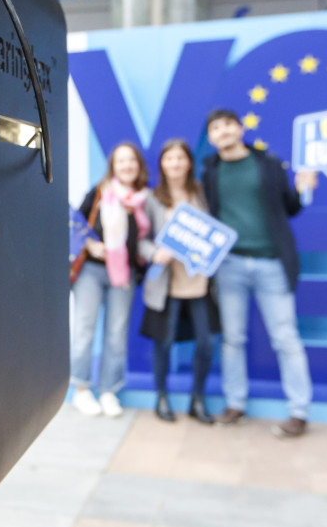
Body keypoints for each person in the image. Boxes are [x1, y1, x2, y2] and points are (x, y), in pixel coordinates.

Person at [201, 109, 318, 438]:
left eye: (227, 125)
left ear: (239, 128)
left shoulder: (268, 163)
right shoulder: (210, 170)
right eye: (215, 128)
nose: (222, 132)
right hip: (229, 266)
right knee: (233, 339)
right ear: (211, 138)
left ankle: (299, 411)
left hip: (272, 263)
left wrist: (302, 187)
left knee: (286, 338)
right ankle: (235, 404)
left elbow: (291, 207)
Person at [140, 139, 220, 424]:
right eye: (169, 158)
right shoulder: (152, 197)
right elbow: (139, 240)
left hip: (200, 283)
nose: (175, 163)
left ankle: (197, 398)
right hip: (167, 283)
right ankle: (161, 396)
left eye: (180, 158)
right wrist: (153, 252)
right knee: (163, 341)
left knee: (207, 342)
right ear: (162, 163)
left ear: (189, 162)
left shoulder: (201, 192)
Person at [71, 142, 152, 418]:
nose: (127, 165)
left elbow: (145, 241)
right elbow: (75, 224)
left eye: (132, 161)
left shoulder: (144, 199)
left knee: (116, 335)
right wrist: (91, 246)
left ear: (139, 166)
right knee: (84, 329)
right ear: (113, 167)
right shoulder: (99, 193)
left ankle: (108, 391)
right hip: (91, 272)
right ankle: (81, 389)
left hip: (124, 274)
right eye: (121, 161)